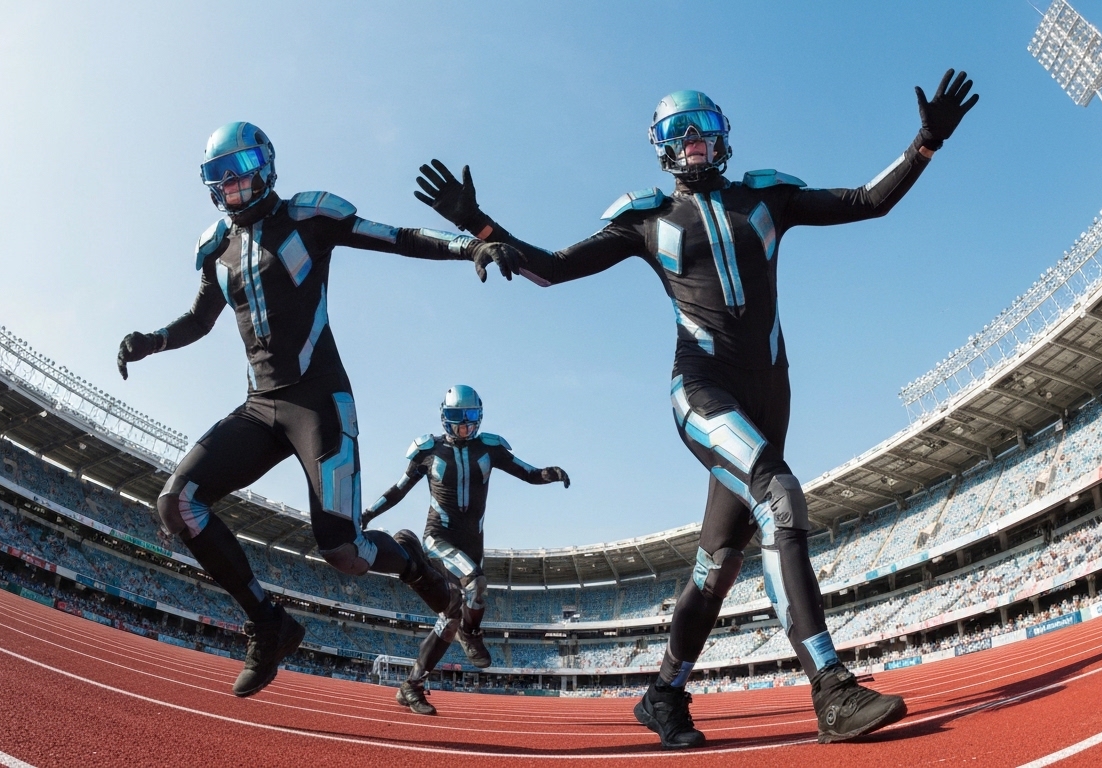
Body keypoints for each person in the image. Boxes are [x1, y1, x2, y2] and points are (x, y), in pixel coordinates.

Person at [412, 70, 978, 746]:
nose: (692, 143)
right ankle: (831, 687)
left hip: (771, 394)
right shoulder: (647, 218)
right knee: (780, 496)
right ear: (659, 148)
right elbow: (553, 268)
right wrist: (479, 225)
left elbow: (866, 201)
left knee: (718, 567)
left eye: (702, 129)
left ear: (723, 137)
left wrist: (924, 144)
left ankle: (662, 695)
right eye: (677, 134)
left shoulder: (768, 198)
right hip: (702, 391)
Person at [117, 122, 522, 698]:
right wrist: (152, 340)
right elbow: (201, 318)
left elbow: (395, 237)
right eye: (219, 174)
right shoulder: (215, 245)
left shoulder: (309, 217)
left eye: (242, 166)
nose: (232, 182)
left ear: (267, 164)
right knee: (178, 503)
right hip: (260, 405)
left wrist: (470, 244)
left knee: (344, 552)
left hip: (318, 400)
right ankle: (269, 623)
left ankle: (408, 557)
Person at [363, 385, 570, 715]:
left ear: (479, 416)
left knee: (450, 616)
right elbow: (399, 490)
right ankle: (471, 634)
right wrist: (369, 513)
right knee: (475, 585)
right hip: (439, 538)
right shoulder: (428, 450)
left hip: (473, 543)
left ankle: (412, 685)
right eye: (458, 419)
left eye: (470, 418)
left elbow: (527, 473)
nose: (464, 426)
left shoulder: (490, 447)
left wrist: (550, 474)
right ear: (445, 418)